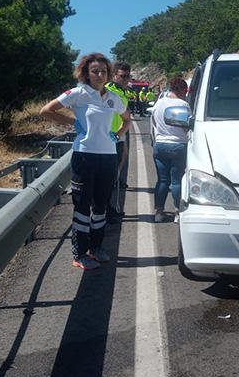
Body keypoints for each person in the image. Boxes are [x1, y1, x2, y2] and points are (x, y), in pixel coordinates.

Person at [39, 53, 131, 270]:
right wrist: (72, 122)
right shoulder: (78, 94)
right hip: (84, 156)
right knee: (82, 206)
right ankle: (79, 253)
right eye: (95, 71)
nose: (100, 75)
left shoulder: (112, 98)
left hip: (108, 157)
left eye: (104, 71)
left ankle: (96, 248)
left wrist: (117, 135)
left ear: (109, 74)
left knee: (100, 206)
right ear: (86, 74)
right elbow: (46, 110)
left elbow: (127, 119)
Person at [151, 78, 189, 223]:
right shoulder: (183, 104)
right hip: (178, 145)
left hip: (160, 145)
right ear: (180, 90)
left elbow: (153, 121)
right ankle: (178, 212)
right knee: (176, 181)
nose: (186, 95)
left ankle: (159, 212)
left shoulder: (159, 103)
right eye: (185, 92)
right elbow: (187, 125)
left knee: (162, 180)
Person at [105, 62, 132, 222]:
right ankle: (106, 210)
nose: (125, 79)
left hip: (118, 136)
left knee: (113, 174)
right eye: (122, 76)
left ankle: (109, 209)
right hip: (109, 138)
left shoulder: (121, 91)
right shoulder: (109, 90)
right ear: (114, 75)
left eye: (128, 76)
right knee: (109, 177)